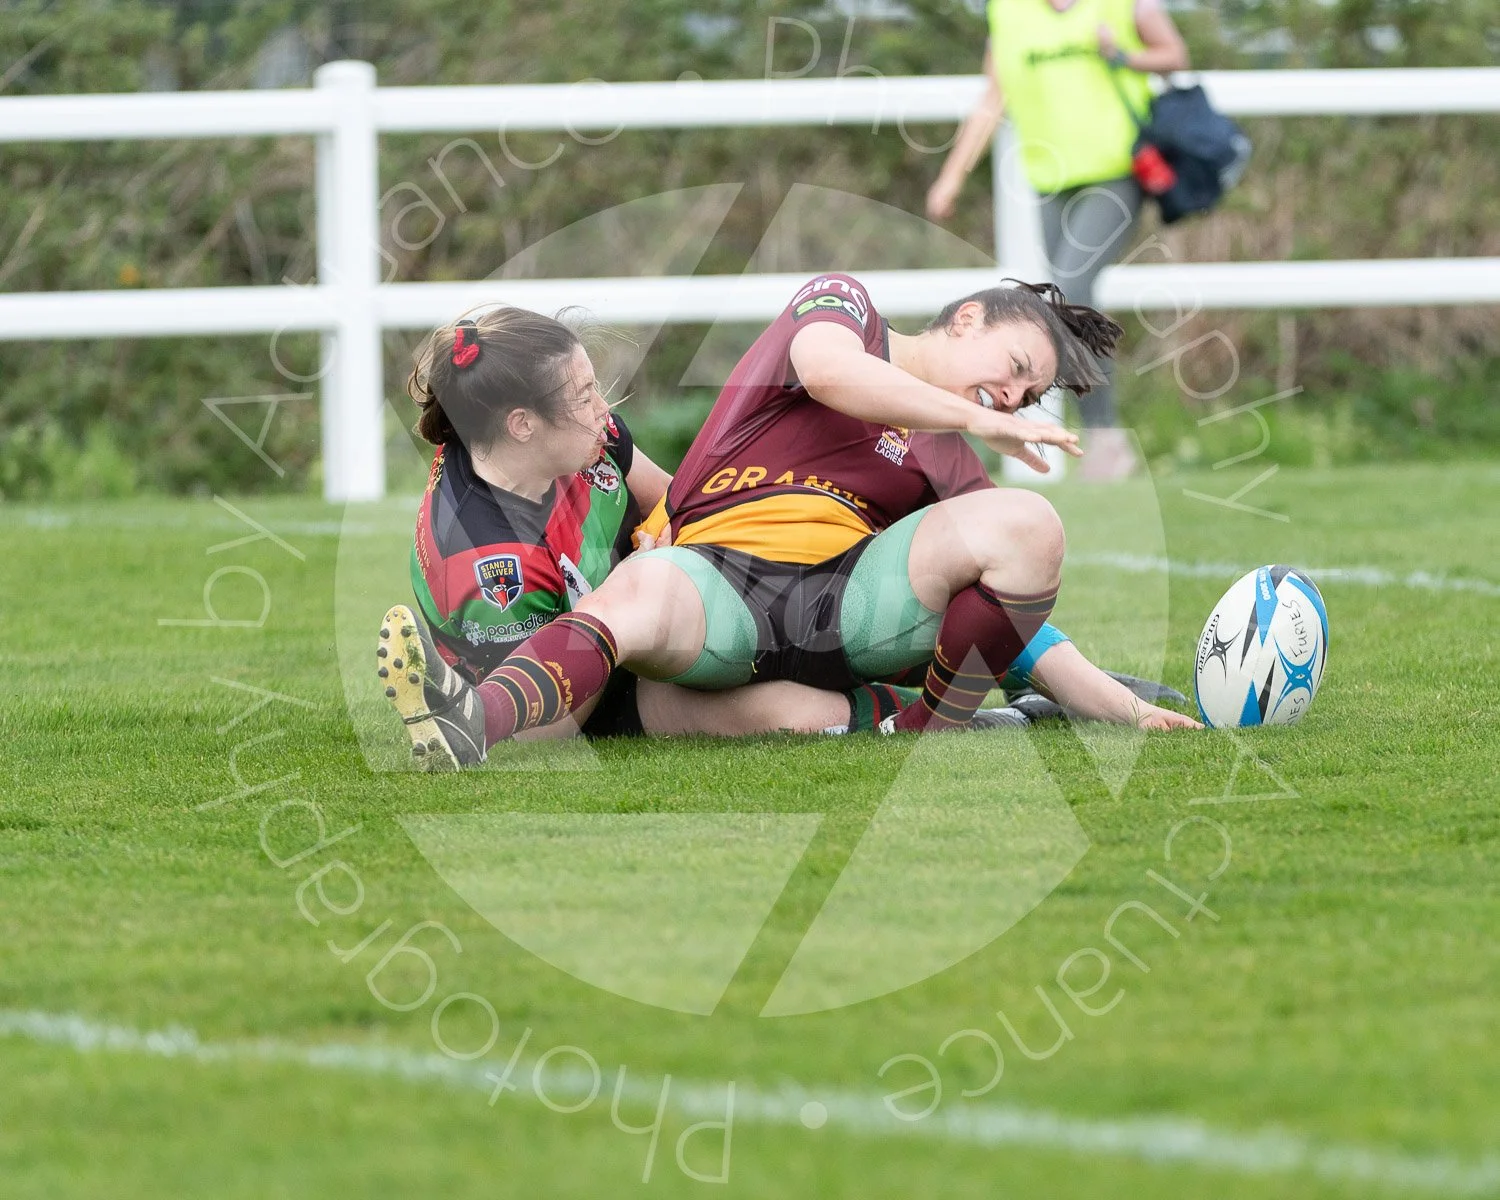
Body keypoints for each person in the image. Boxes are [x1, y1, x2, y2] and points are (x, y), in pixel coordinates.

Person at [403, 274, 1199, 765]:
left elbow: (1005, 610)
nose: (1013, 398)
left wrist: (1116, 704)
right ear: (965, 320)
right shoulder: (843, 307)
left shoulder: (949, 448)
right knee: (657, 604)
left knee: (1028, 523)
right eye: (1018, 369)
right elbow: (829, 373)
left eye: (1028, 399)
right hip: (718, 588)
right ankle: (470, 722)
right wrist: (983, 425)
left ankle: (939, 731)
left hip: (840, 609)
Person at [925, 0, 1190, 481]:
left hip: (1116, 174)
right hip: (1050, 181)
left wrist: (1123, 56)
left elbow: (1174, 54)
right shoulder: (1008, 13)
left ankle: (1105, 436)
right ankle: (1077, 431)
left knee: (1071, 283)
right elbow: (993, 98)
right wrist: (952, 177)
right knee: (1061, 302)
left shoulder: (1125, 5)